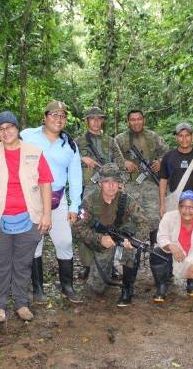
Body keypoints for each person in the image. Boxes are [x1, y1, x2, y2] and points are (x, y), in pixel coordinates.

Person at [0, 111, 53, 322]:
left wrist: (46, 214)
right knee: (0, 264)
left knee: (23, 263)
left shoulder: (35, 153)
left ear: (18, 129)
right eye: (1, 129)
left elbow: (45, 183)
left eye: (10, 127)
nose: (6, 132)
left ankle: (21, 303)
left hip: (30, 217)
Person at [21, 100, 83, 303]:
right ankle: (38, 289)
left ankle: (67, 286)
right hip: (32, 198)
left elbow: (75, 177)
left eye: (63, 116)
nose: (58, 119)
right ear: (45, 117)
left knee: (64, 241)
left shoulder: (70, 145)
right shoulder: (27, 136)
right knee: (35, 242)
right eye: (54, 115)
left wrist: (74, 206)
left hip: (58, 197)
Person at [73, 163, 150, 306]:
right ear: (100, 183)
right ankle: (100, 269)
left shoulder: (126, 200)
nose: (111, 185)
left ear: (119, 184)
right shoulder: (89, 201)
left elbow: (144, 223)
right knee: (97, 288)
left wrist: (134, 239)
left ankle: (127, 288)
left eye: (114, 181)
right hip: (100, 244)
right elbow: (78, 227)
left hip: (121, 241)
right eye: (107, 182)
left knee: (132, 246)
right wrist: (100, 239)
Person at [75, 106, 125, 280]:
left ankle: (109, 264)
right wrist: (81, 158)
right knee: (86, 226)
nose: (96, 122)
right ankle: (87, 265)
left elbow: (120, 164)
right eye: (92, 118)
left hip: (109, 190)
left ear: (102, 120)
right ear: (87, 121)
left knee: (110, 226)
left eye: (99, 118)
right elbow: (67, 160)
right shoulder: (78, 142)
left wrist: (120, 184)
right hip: (88, 190)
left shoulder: (110, 142)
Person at [150, 190, 193, 302]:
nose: (187, 211)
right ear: (178, 207)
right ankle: (162, 285)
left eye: (191, 207)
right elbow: (161, 237)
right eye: (183, 207)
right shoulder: (168, 217)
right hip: (172, 257)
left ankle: (192, 282)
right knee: (156, 253)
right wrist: (171, 246)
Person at [114, 109, 168, 244]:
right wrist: (123, 162)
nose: (136, 122)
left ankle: (156, 255)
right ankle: (131, 257)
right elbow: (110, 157)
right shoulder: (120, 139)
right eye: (133, 119)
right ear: (128, 122)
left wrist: (160, 162)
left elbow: (167, 153)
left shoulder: (153, 137)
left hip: (151, 185)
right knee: (131, 220)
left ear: (143, 120)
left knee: (155, 220)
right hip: (130, 186)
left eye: (139, 119)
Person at [158, 122, 193, 218]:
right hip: (174, 202)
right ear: (176, 138)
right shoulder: (168, 157)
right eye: (180, 136)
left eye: (187, 135)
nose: (184, 139)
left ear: (192, 137)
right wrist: (162, 204)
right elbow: (163, 180)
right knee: (174, 231)